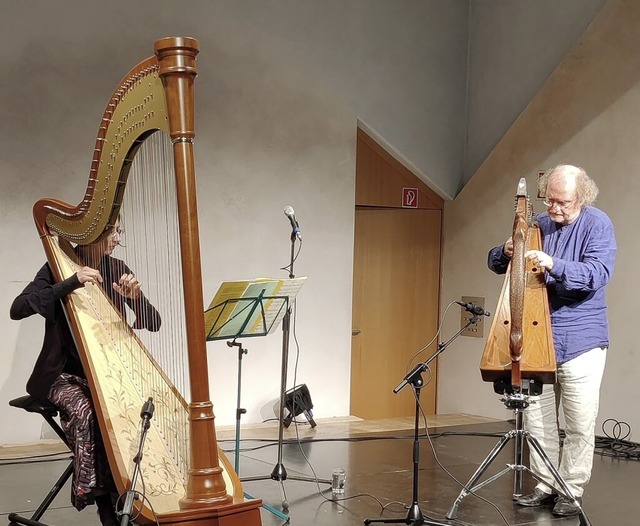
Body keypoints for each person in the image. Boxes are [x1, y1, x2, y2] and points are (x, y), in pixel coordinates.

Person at [10, 222, 161, 526]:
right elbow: (18, 308)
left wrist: (134, 298)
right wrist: (70, 282)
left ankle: (131, 493)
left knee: (134, 410)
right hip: (60, 375)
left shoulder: (116, 267)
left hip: (106, 374)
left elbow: (153, 322)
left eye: (121, 231)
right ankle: (103, 501)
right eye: (112, 232)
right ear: (91, 234)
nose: (118, 239)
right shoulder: (57, 266)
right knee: (89, 412)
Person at [487, 164, 616, 517]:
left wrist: (554, 264)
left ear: (582, 197)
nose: (554, 209)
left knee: (577, 422)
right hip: (538, 337)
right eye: (550, 201)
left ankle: (570, 490)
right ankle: (545, 485)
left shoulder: (597, 223)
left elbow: (597, 273)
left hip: (581, 340)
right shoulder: (538, 225)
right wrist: (506, 250)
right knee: (538, 420)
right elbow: (495, 262)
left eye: (563, 203)